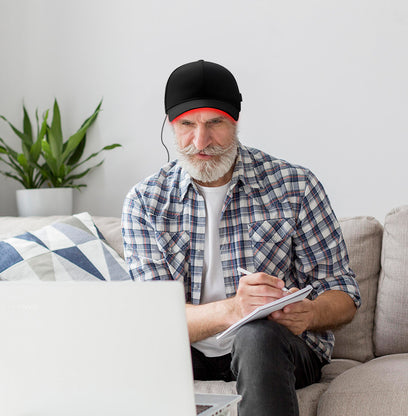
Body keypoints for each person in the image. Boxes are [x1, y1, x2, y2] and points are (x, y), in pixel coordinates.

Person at [122, 59, 361, 416]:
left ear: (234, 121)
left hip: (278, 346)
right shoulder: (145, 200)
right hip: (187, 349)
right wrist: (235, 308)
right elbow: (155, 317)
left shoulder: (295, 186)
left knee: (256, 335)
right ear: (171, 126)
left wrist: (309, 313)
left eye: (214, 123)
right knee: (122, 343)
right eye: (187, 125)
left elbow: (344, 295)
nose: (200, 141)